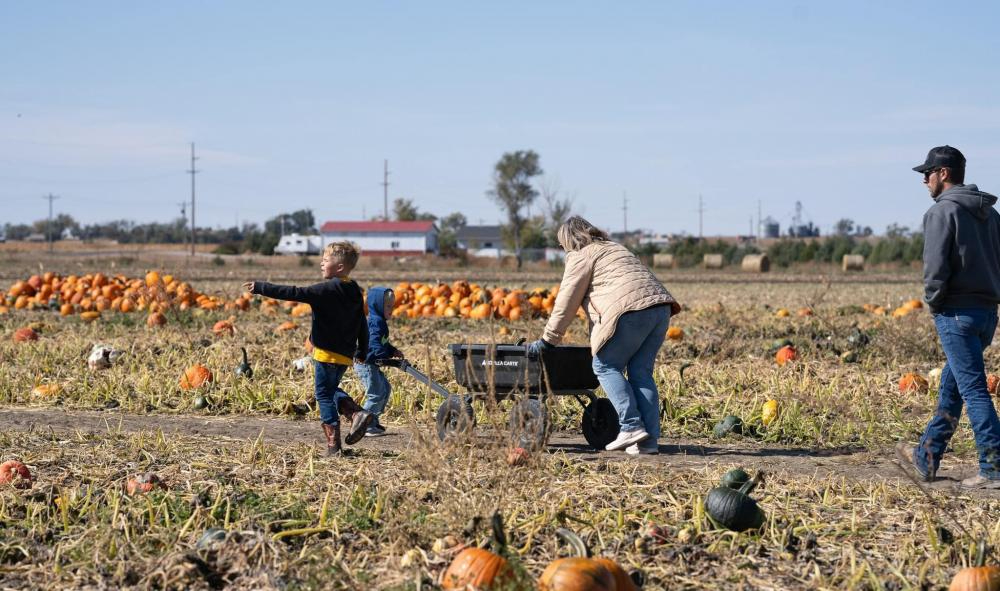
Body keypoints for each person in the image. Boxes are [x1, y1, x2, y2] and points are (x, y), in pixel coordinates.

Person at [527, 216, 681, 455]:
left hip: (630, 311)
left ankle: (630, 426)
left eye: (561, 244)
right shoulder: (615, 248)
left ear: (568, 240)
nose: (562, 249)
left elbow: (566, 301)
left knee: (605, 366)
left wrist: (549, 340)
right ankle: (648, 441)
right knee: (641, 373)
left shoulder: (581, 255)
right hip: (660, 308)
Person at [896, 146, 1000, 489]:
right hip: (986, 314)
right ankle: (926, 456)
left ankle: (993, 466)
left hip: (956, 313)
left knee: (972, 390)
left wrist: (935, 303)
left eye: (927, 173)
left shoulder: (941, 213)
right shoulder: (990, 214)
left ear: (944, 173)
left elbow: (935, 269)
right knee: (952, 388)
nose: (924, 180)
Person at [243, 241, 373, 456]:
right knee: (330, 390)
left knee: (323, 395)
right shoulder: (354, 290)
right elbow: (362, 322)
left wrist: (261, 287)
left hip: (326, 353)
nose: (321, 263)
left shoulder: (326, 289)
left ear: (339, 267)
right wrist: (362, 349)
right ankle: (354, 413)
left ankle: (334, 445)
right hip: (345, 355)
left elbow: (294, 292)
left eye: (326, 260)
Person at [355, 286, 405, 436]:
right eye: (388, 306)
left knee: (385, 389)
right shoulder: (376, 322)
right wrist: (382, 354)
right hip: (366, 363)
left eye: (392, 306)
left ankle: (372, 421)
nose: (391, 309)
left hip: (372, 363)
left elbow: (383, 342)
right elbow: (375, 343)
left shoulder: (379, 321)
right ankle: (364, 424)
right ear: (377, 305)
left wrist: (391, 350)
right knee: (376, 394)